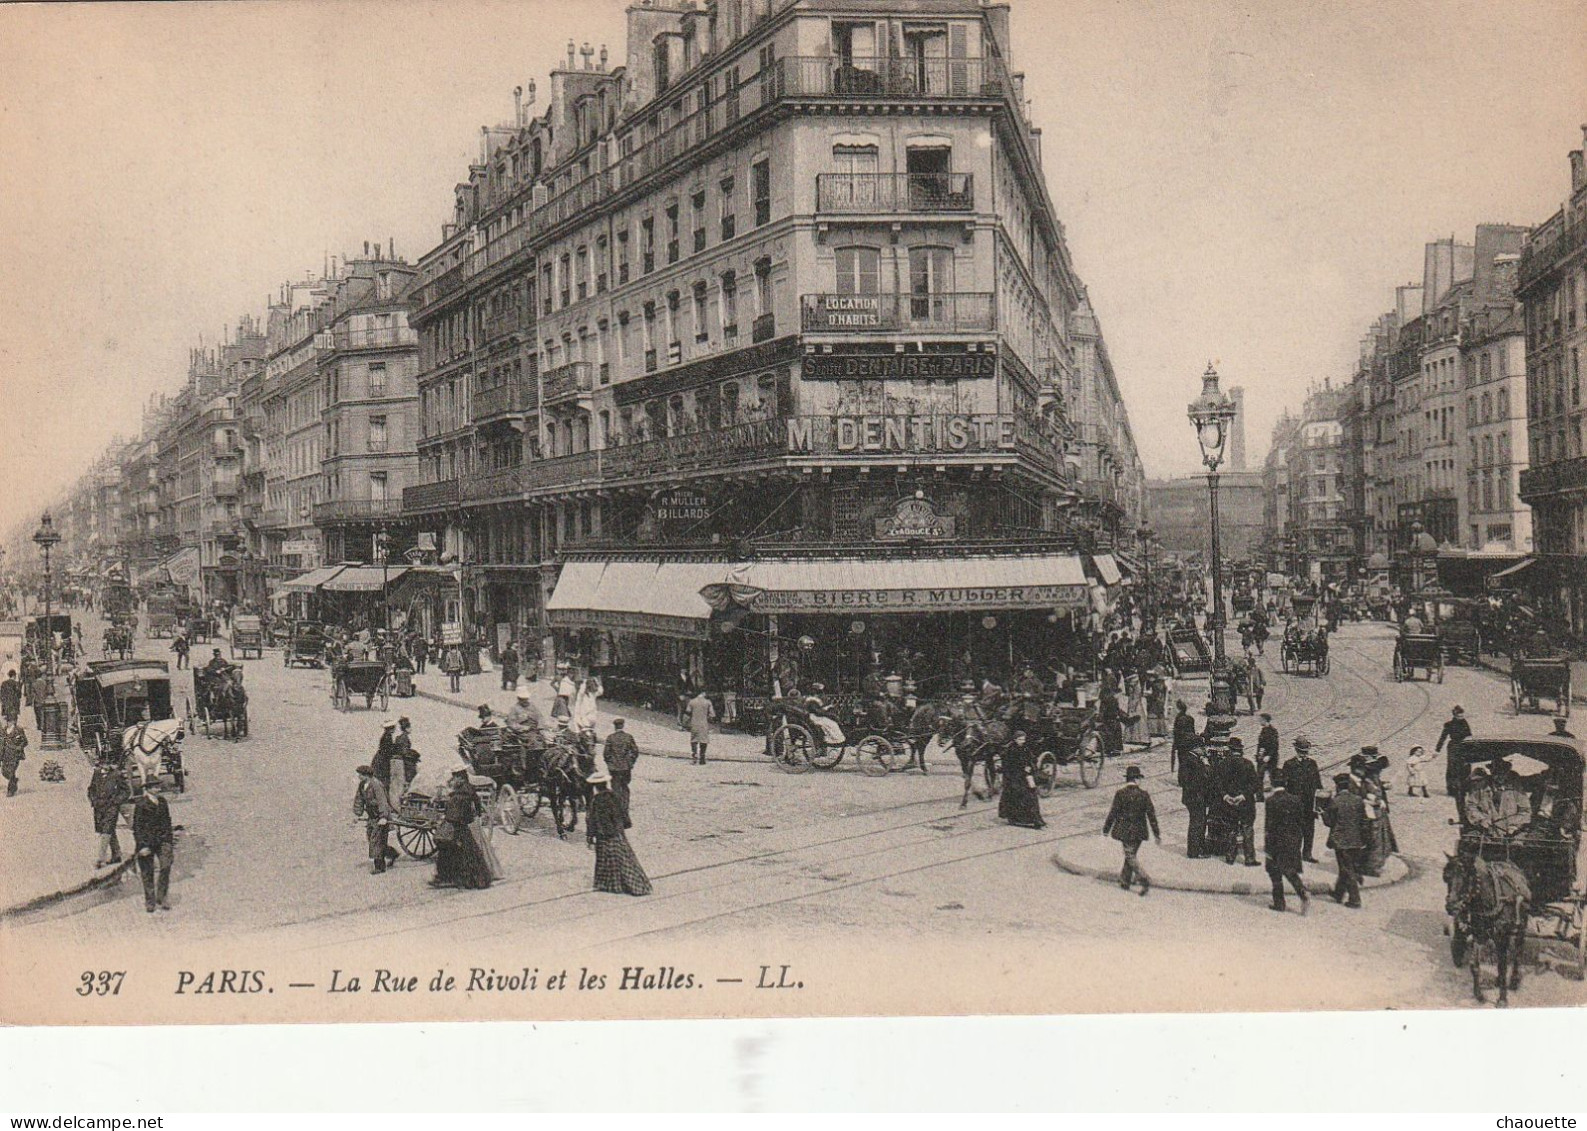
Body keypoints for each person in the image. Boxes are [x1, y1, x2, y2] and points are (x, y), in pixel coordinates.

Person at [587, 769, 652, 895]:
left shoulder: (597, 800)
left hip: (605, 834)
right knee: (624, 857)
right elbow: (623, 813)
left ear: (595, 786)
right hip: (618, 832)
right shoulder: (614, 796)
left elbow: (592, 819)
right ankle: (636, 884)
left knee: (606, 860)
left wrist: (591, 835)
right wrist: (623, 826)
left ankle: (611, 885)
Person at [431, 766, 492, 890]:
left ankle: (451, 878)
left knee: (458, 853)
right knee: (465, 853)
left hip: (458, 827)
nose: (453, 780)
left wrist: (446, 821)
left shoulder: (459, 794)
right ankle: (455, 878)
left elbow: (454, 815)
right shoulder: (467, 790)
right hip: (462, 825)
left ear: (461, 778)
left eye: (455, 777)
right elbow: (477, 805)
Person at [1103, 765, 1160, 895]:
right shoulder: (1144, 795)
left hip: (1124, 831)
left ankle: (1143, 877)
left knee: (1129, 855)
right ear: (1135, 779)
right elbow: (1151, 815)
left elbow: (1113, 812)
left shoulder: (1120, 794)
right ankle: (1125, 881)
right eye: (1139, 778)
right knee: (1131, 855)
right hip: (1140, 831)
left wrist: (1106, 829)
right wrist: (1156, 833)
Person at [1212, 736, 1260, 866]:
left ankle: (1230, 857)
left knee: (1230, 830)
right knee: (1247, 829)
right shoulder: (1248, 764)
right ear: (1241, 750)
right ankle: (1249, 858)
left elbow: (1217, 784)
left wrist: (1226, 796)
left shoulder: (1222, 764)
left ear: (1230, 749)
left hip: (1228, 803)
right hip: (1245, 803)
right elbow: (1255, 785)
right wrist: (1243, 796)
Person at [1263, 777, 1309, 914]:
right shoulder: (1296, 799)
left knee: (1274, 870)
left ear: (1272, 784)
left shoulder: (1271, 801)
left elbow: (1269, 826)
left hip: (1277, 841)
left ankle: (1280, 902)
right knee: (1289, 869)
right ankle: (1301, 893)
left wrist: (1268, 846)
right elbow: (1302, 822)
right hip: (1293, 840)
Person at [1321, 772, 1366, 908]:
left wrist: (1323, 813)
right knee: (1345, 867)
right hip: (1356, 840)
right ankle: (1338, 893)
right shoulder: (1358, 800)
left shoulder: (1335, 802)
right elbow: (1364, 820)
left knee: (1347, 869)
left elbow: (1329, 822)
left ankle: (1355, 899)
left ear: (1337, 786)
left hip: (1341, 840)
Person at [132, 780, 175, 913]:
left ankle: (161, 896)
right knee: (147, 872)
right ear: (149, 789)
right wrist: (142, 846)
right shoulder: (141, 804)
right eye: (155, 787)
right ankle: (150, 901)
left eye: (159, 786)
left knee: (165, 866)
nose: (159, 788)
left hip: (163, 841)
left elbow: (168, 821)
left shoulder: (162, 802)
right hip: (147, 842)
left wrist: (168, 840)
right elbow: (137, 827)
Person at [1281, 735, 1324, 862]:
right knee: (1294, 830)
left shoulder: (1312, 764)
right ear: (1296, 750)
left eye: (1306, 752)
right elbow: (1283, 784)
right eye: (1301, 752)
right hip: (1294, 802)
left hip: (1310, 803)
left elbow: (1318, 783)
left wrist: (1320, 802)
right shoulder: (1289, 764)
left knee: (1309, 829)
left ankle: (1307, 854)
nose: (1304, 754)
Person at [353, 764, 399, 875]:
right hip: (372, 817)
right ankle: (392, 853)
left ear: (366, 775)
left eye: (360, 774)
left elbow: (382, 801)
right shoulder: (362, 785)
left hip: (380, 817)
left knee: (376, 841)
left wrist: (383, 817)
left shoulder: (376, 785)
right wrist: (357, 814)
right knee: (371, 838)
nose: (358, 776)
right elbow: (359, 800)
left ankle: (380, 867)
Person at [88, 747, 130, 866]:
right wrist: (93, 800)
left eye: (109, 763)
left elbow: (126, 791)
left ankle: (101, 859)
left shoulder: (116, 775)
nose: (106, 766)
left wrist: (116, 801)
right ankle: (117, 854)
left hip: (111, 807)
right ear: (100, 763)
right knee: (105, 829)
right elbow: (91, 789)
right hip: (99, 807)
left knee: (106, 831)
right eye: (104, 763)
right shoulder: (96, 774)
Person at [997, 729, 1046, 830]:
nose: (1022, 741)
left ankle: (1035, 819)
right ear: (1015, 740)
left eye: (1023, 739)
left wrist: (1029, 767)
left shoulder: (1025, 748)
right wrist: (1021, 768)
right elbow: (1007, 765)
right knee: (1018, 796)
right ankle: (1017, 818)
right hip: (1014, 778)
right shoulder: (1009, 750)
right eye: (1020, 739)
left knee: (1031, 797)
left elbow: (1032, 759)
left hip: (1025, 777)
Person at [1360, 752, 1398, 877]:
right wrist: (1377, 800)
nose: (1379, 772)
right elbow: (1363, 795)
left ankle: (1377, 864)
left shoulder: (1373, 777)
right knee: (1373, 839)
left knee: (1382, 838)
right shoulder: (1364, 779)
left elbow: (1377, 787)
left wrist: (1383, 786)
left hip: (1379, 813)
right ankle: (1371, 867)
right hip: (1370, 813)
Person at [602, 718, 639, 827]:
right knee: (625, 790)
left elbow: (606, 754)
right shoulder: (628, 737)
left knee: (615, 791)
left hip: (614, 769)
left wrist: (610, 764)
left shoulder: (610, 738)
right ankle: (625, 817)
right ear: (622, 726)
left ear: (615, 726)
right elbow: (635, 751)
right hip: (625, 769)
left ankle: (616, 818)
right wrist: (631, 762)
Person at [1436, 705, 1472, 816]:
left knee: (1465, 767)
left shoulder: (1465, 723)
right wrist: (1437, 749)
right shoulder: (1449, 725)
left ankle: (1465, 787)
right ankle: (1451, 789)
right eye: (1459, 715)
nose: (1461, 716)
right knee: (1452, 767)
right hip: (1453, 747)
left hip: (1464, 746)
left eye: (1462, 714)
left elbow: (1469, 735)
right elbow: (1443, 737)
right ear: (1455, 715)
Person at [1179, 736, 1210, 858]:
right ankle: (1194, 851)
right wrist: (1206, 766)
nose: (1204, 749)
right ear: (1196, 748)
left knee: (1199, 822)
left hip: (1195, 797)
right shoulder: (1190, 760)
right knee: (1197, 823)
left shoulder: (1192, 758)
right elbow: (1185, 780)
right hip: (1195, 797)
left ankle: (1198, 849)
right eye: (1202, 747)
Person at [686, 687, 715, 765]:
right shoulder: (708, 702)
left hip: (694, 723)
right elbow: (712, 714)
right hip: (703, 724)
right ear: (704, 693)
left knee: (694, 740)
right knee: (703, 741)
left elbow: (688, 711)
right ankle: (702, 758)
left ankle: (694, 757)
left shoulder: (692, 702)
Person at [392, 717, 419, 798]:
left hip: (401, 760)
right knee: (410, 778)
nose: (411, 729)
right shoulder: (404, 738)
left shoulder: (399, 737)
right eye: (409, 727)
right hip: (406, 762)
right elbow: (404, 752)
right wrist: (414, 755)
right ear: (406, 729)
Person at [0, 716, 27, 798]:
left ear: (14, 721)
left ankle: (10, 790)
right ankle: (14, 781)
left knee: (11, 771)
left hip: (15, 754)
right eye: (7, 721)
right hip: (5, 754)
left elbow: (25, 741)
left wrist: (19, 747)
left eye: (10, 721)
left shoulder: (18, 730)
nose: (8, 723)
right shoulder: (3, 730)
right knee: (4, 772)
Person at [372, 718, 398, 791]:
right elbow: (388, 751)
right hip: (383, 761)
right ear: (391, 728)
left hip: (380, 759)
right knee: (383, 779)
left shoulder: (386, 735)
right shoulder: (388, 737)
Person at [1256, 713, 1280, 790]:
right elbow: (1260, 744)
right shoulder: (1263, 730)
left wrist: (1269, 756)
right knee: (1259, 776)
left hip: (1271, 758)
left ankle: (1275, 792)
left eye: (1260, 720)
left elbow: (1275, 746)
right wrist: (1258, 754)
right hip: (1262, 757)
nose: (1259, 721)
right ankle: (1260, 796)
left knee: (1272, 775)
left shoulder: (1273, 731)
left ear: (1265, 720)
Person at [1171, 700, 1195, 775]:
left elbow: (1176, 732)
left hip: (1181, 742)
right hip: (1190, 741)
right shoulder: (1190, 718)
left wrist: (1175, 745)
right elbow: (1193, 730)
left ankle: (1182, 777)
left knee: (1181, 760)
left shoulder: (1178, 719)